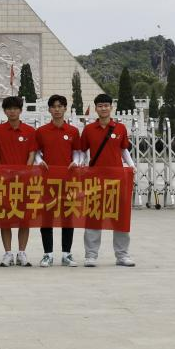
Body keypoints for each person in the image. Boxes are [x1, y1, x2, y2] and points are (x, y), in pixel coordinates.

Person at [77, 93, 136, 268]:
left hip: (117, 179)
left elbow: (124, 150)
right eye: (100, 105)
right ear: (96, 108)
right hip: (95, 179)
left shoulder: (120, 128)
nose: (103, 108)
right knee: (94, 217)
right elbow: (82, 150)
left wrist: (131, 165)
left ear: (111, 107)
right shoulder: (88, 130)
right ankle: (91, 255)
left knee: (120, 217)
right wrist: (79, 164)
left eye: (106, 105)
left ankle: (122, 255)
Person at [33, 93, 82, 267]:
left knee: (67, 216)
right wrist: (40, 162)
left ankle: (67, 254)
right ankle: (47, 254)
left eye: (60, 106)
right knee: (47, 217)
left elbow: (78, 151)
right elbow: (36, 152)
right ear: (49, 110)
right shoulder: (41, 131)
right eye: (54, 106)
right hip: (47, 181)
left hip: (68, 180)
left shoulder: (73, 131)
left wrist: (76, 162)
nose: (57, 109)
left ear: (65, 109)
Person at [0, 95, 36, 266]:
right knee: (6, 217)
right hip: (5, 181)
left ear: (20, 110)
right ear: (5, 111)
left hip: (24, 181)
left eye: (15, 108)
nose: (12, 111)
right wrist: (2, 172)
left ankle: (22, 252)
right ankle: (8, 253)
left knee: (25, 218)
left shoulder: (30, 131)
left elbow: (32, 154)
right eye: (9, 109)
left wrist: (25, 172)